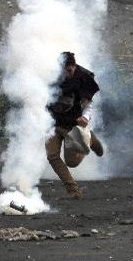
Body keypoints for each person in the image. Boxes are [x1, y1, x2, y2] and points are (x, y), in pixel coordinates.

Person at [46, 52, 104, 199]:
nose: (66, 74)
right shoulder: (50, 75)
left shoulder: (83, 79)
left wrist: (85, 117)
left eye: (69, 71)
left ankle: (89, 139)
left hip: (72, 124)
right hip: (52, 123)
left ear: (74, 66)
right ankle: (73, 190)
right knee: (52, 155)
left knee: (71, 162)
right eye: (63, 71)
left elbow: (88, 105)